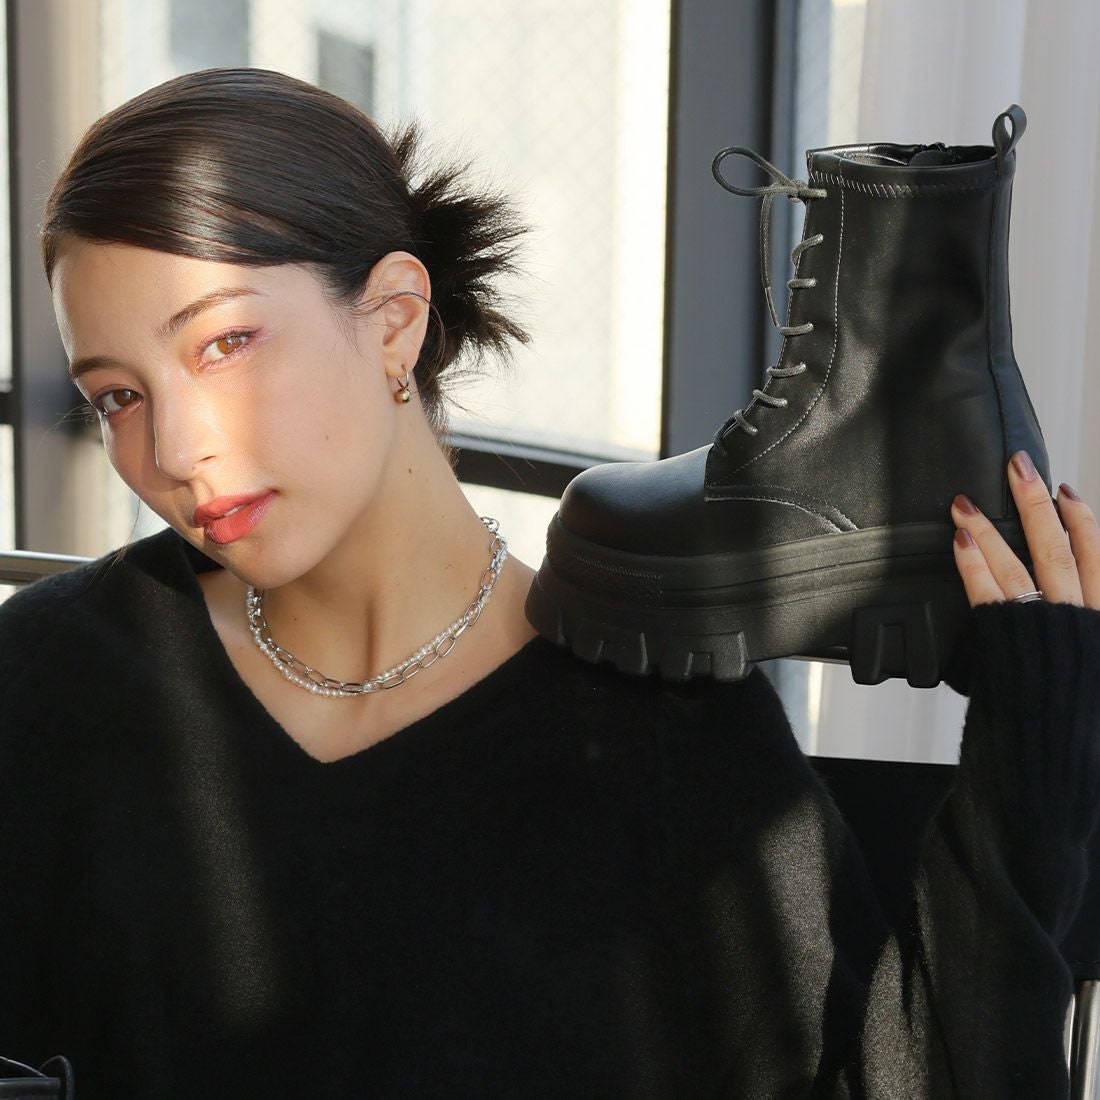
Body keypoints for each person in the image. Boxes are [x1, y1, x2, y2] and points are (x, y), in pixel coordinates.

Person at [1, 66, 1098, 1100]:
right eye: (117, 396)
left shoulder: (660, 729)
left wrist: (1032, 750)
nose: (174, 448)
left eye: (224, 343)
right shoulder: (48, 678)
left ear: (394, 321)